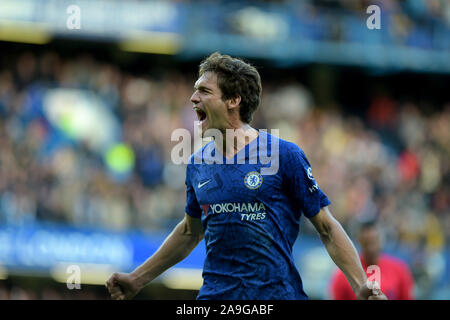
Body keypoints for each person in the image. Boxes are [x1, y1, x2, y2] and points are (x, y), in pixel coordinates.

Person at [106, 52, 387, 300]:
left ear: (233, 100)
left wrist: (360, 283)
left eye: (204, 91)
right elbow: (190, 231)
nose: (193, 98)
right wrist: (137, 278)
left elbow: (326, 227)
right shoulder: (197, 164)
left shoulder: (283, 155)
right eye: (194, 90)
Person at [329, 220, 414, 300]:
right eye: (367, 243)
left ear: (381, 240)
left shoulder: (399, 270)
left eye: (374, 242)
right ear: (359, 241)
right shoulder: (345, 274)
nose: (371, 249)